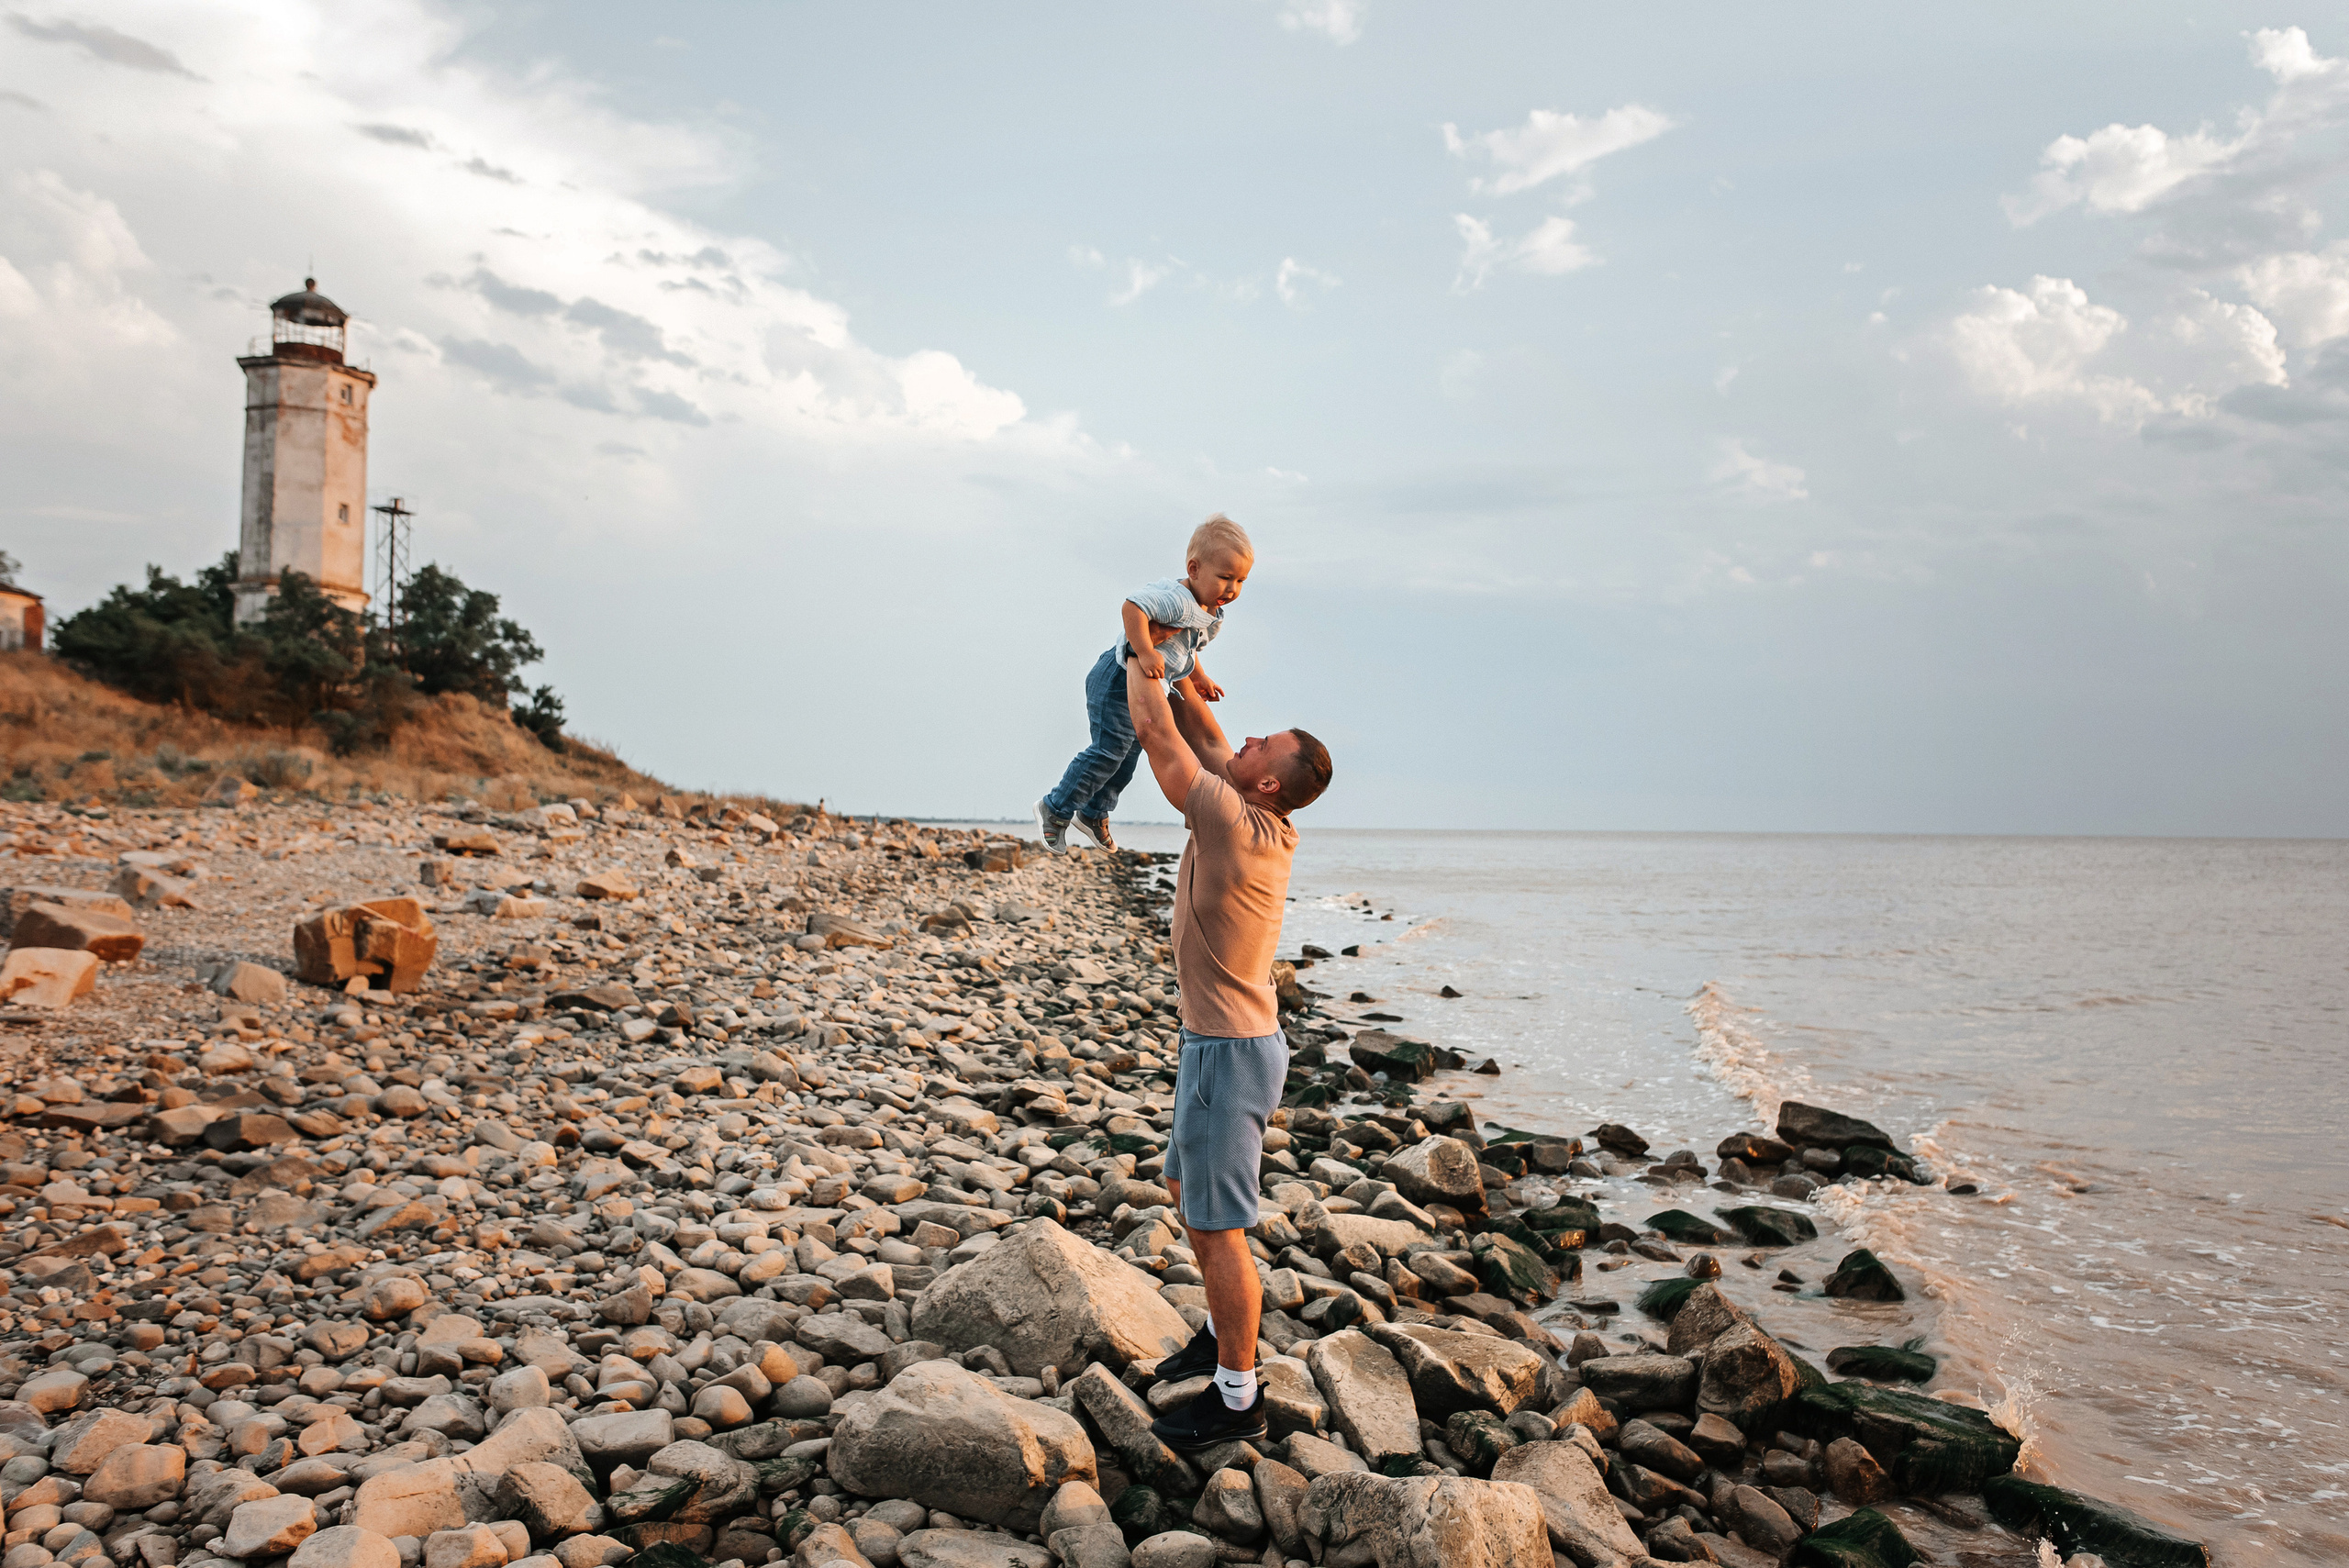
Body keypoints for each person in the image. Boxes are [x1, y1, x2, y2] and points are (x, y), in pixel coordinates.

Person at [1118, 633, 1333, 1451]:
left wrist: (1137, 647)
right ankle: (1218, 1337)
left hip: (1229, 1054)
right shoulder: (1259, 812)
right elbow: (1204, 732)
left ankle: (1239, 1397)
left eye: (1260, 743)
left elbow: (1156, 732)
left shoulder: (1232, 821)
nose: (1243, 737)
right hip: (1222, 1044)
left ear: (1268, 781)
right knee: (1187, 1191)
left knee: (1217, 1228)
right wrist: (1178, 660)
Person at [1035, 516, 1252, 856]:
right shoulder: (1178, 599)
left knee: (1127, 758)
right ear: (1194, 569)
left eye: (1240, 580)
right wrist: (1146, 651)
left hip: (1144, 691)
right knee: (1108, 751)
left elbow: (1187, 649)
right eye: (1225, 577)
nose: (1232, 589)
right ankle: (1055, 807)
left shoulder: (1210, 614)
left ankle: (1093, 813)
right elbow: (1133, 608)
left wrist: (1198, 677)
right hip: (1117, 678)